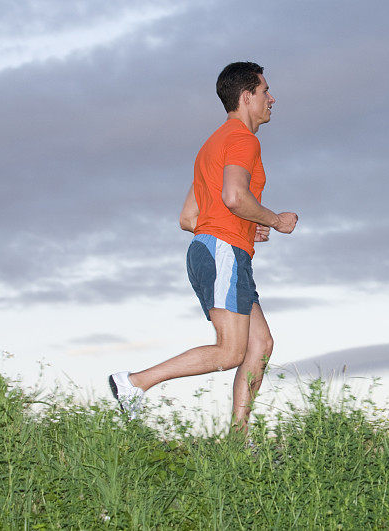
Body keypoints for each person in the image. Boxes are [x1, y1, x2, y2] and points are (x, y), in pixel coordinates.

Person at [108, 61, 298, 442]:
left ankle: (237, 440)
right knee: (230, 352)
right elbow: (233, 196)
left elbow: (189, 217)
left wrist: (247, 223)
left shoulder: (212, 144)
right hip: (223, 251)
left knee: (259, 345)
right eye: (264, 92)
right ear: (247, 97)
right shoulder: (244, 140)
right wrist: (275, 220)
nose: (271, 98)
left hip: (213, 248)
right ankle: (132, 383)